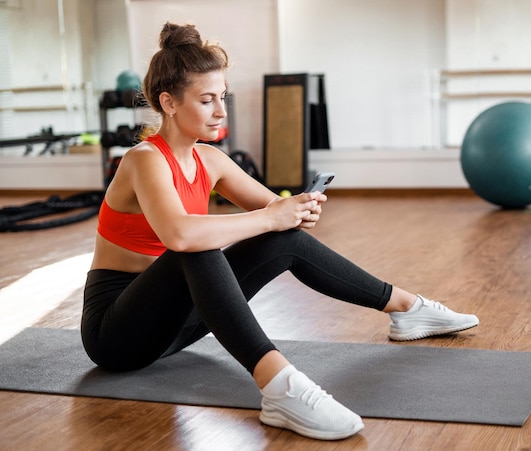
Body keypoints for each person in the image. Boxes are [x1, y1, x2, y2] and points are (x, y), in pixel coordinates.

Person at [81, 22, 479, 441]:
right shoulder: (144, 160)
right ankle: (280, 387)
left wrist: (296, 211)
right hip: (117, 334)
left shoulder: (210, 160)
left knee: (280, 239)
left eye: (223, 97)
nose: (220, 111)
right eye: (206, 100)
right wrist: (274, 216)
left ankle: (406, 309)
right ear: (170, 103)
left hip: (173, 329)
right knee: (197, 245)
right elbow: (180, 236)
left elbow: (273, 210)